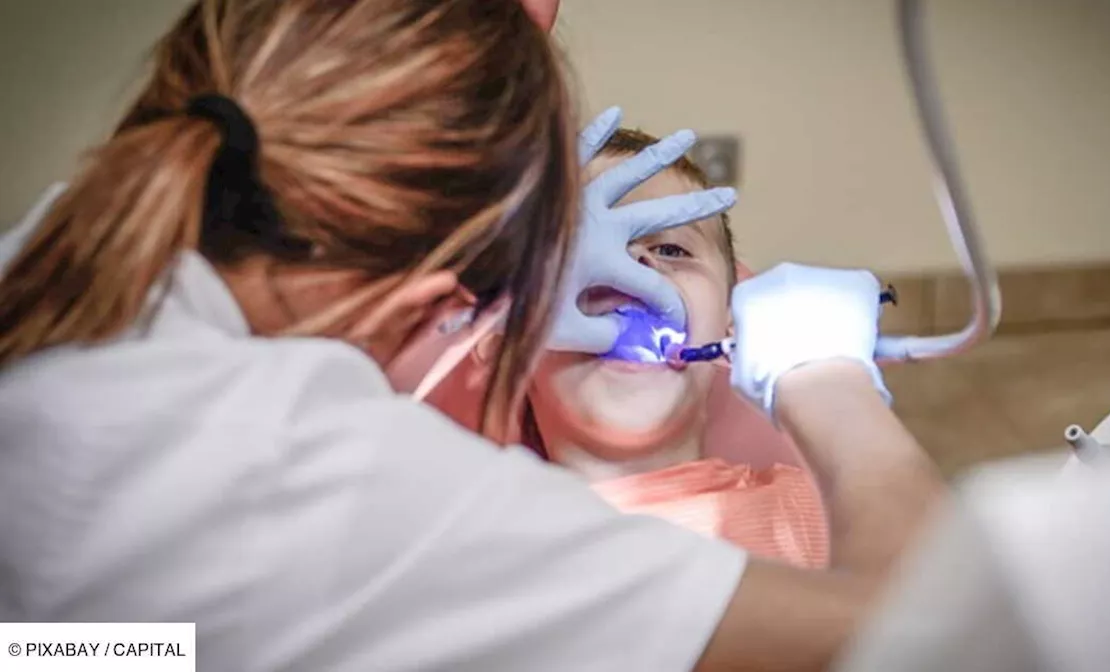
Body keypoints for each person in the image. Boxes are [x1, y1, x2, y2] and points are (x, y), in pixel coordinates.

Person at [0, 1, 945, 670]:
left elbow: (69, 648)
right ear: (481, 305)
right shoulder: (386, 496)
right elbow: (922, 634)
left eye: (668, 251)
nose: (632, 286)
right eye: (558, 257)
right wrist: (827, 373)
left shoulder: (61, 268)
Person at [523, 128, 829, 569]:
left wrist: (840, 396)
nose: (634, 271)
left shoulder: (811, 515)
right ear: (505, 327)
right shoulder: (461, 547)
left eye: (670, 248)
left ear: (732, 321)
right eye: (577, 249)